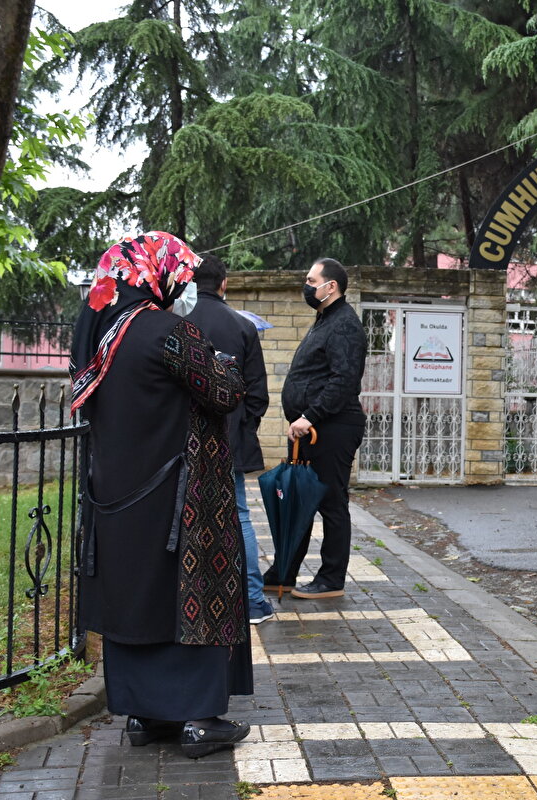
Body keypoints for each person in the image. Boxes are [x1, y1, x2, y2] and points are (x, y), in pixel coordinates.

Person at [71, 232, 252, 759]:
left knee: (134, 598)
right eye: (181, 274)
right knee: (182, 596)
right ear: (155, 274)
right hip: (179, 499)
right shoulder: (169, 331)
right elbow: (224, 392)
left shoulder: (102, 337)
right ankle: (198, 720)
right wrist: (228, 365)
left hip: (117, 498)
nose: (184, 285)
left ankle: (145, 716)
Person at [266, 258, 367, 598]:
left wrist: (310, 415)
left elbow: (343, 380)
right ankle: (284, 572)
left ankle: (331, 579)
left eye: (312, 280)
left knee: (330, 502)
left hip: (331, 427)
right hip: (309, 429)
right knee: (299, 501)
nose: (307, 286)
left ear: (331, 286)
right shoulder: (325, 320)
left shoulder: (344, 324)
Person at [185, 254, 273, 624]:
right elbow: (258, 394)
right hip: (229, 439)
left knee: (185, 515)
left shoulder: (177, 323)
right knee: (238, 516)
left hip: (184, 440)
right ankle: (252, 602)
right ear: (224, 283)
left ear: (191, 283)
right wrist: (241, 426)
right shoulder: (243, 327)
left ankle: (194, 598)